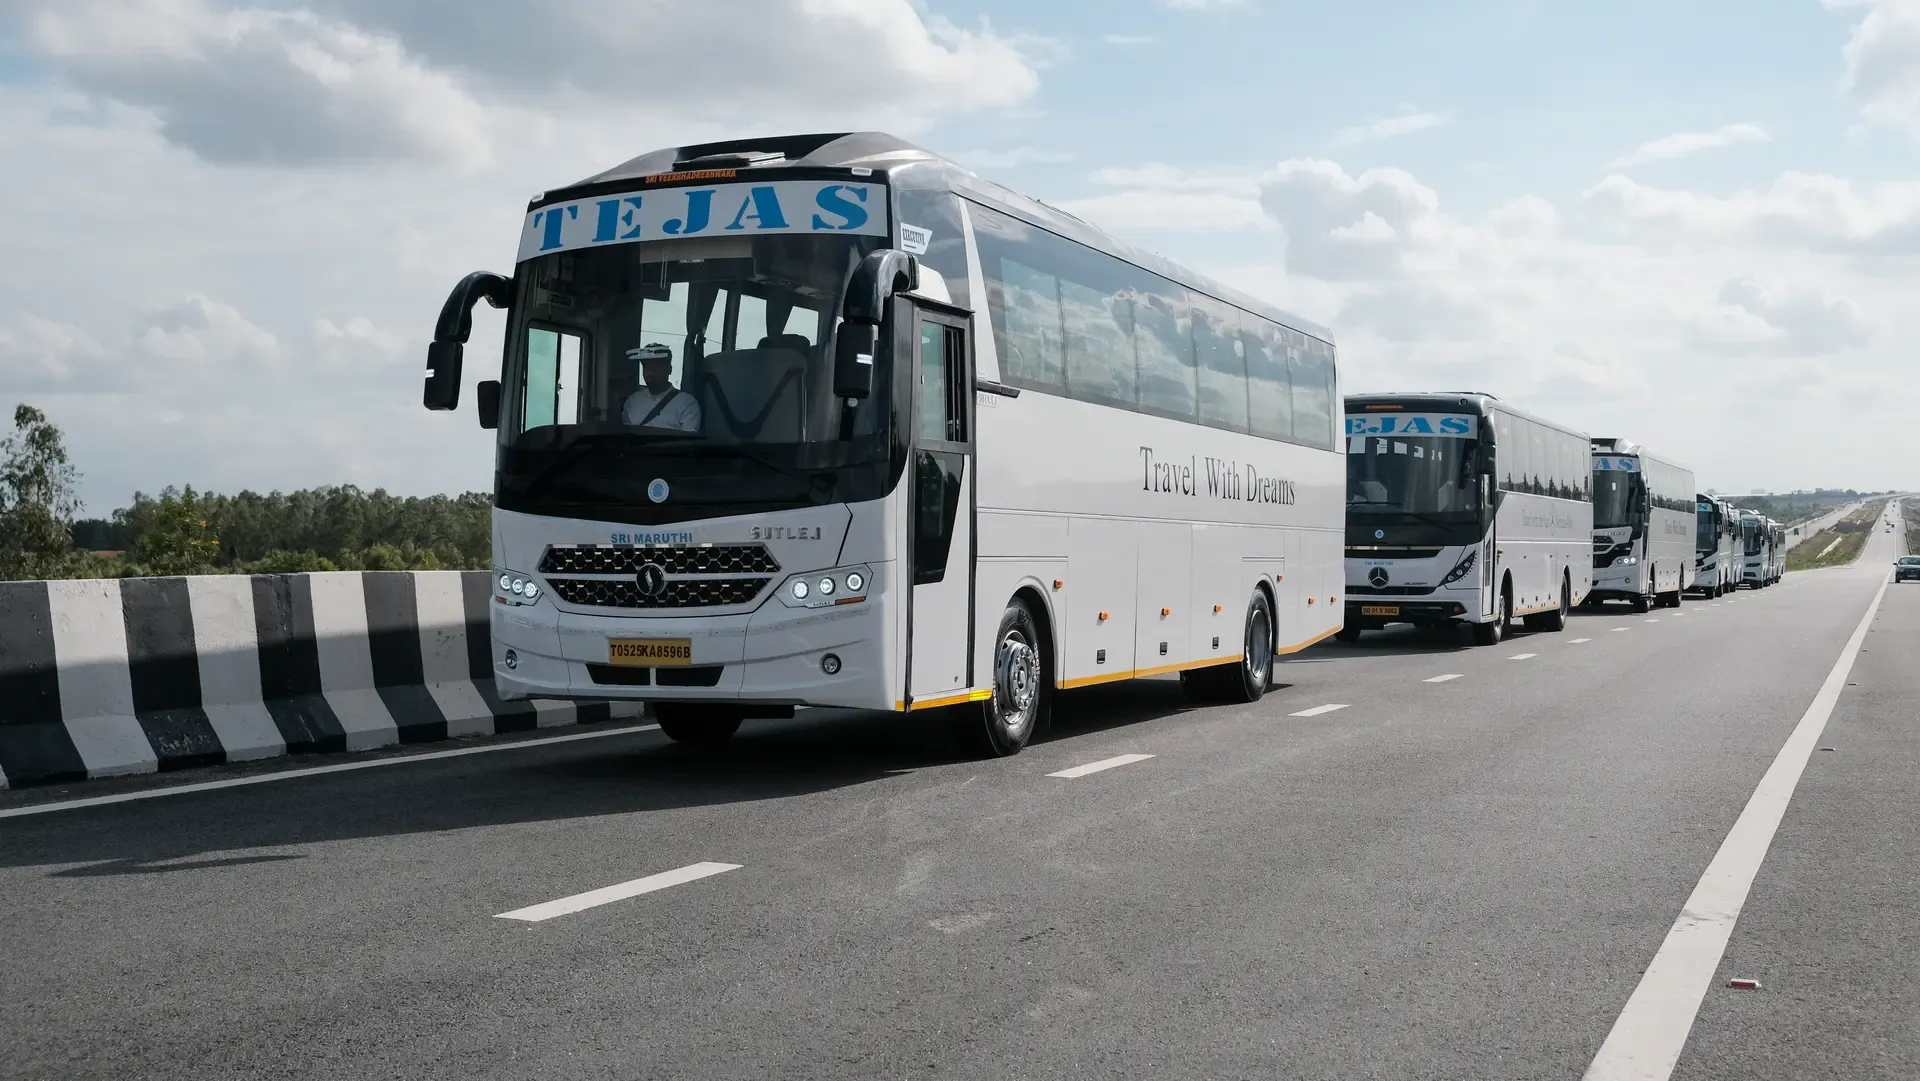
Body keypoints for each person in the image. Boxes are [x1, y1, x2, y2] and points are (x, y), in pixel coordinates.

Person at [620, 342, 701, 432]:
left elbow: (687, 442)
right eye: (646, 366)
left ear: (669, 369)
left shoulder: (687, 403)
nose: (650, 372)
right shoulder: (632, 402)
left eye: (656, 366)